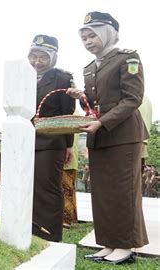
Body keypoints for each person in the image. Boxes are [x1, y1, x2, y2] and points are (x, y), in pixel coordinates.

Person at [66, 12, 149, 264]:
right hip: (99, 135)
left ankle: (126, 247)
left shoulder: (127, 58)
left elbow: (132, 98)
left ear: (108, 32)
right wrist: (81, 97)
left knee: (123, 191)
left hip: (123, 134)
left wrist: (102, 121)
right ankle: (109, 244)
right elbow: (96, 104)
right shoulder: (90, 67)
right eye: (84, 37)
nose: (88, 41)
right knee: (101, 193)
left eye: (92, 35)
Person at [28, 34, 75, 242]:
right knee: (27, 186)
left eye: (43, 57)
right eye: (33, 56)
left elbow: (67, 114)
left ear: (53, 57)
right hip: (24, 140)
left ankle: (49, 235)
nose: (37, 62)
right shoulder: (22, 74)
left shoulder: (62, 79)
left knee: (47, 187)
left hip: (50, 142)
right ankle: (29, 231)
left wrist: (68, 145)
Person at [61, 131, 79, 229]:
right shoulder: (77, 115)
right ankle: (72, 219)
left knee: (66, 191)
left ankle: (66, 220)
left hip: (67, 161)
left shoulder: (73, 115)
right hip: (71, 161)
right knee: (69, 191)